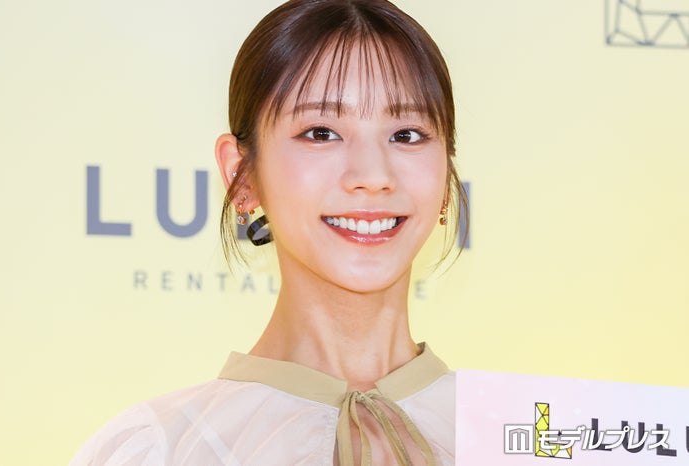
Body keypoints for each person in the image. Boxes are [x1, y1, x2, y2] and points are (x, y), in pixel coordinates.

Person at [70, 0, 467, 464]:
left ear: (446, 175)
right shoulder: (160, 449)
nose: (373, 175)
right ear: (242, 175)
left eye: (407, 135)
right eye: (321, 132)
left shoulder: (521, 431)